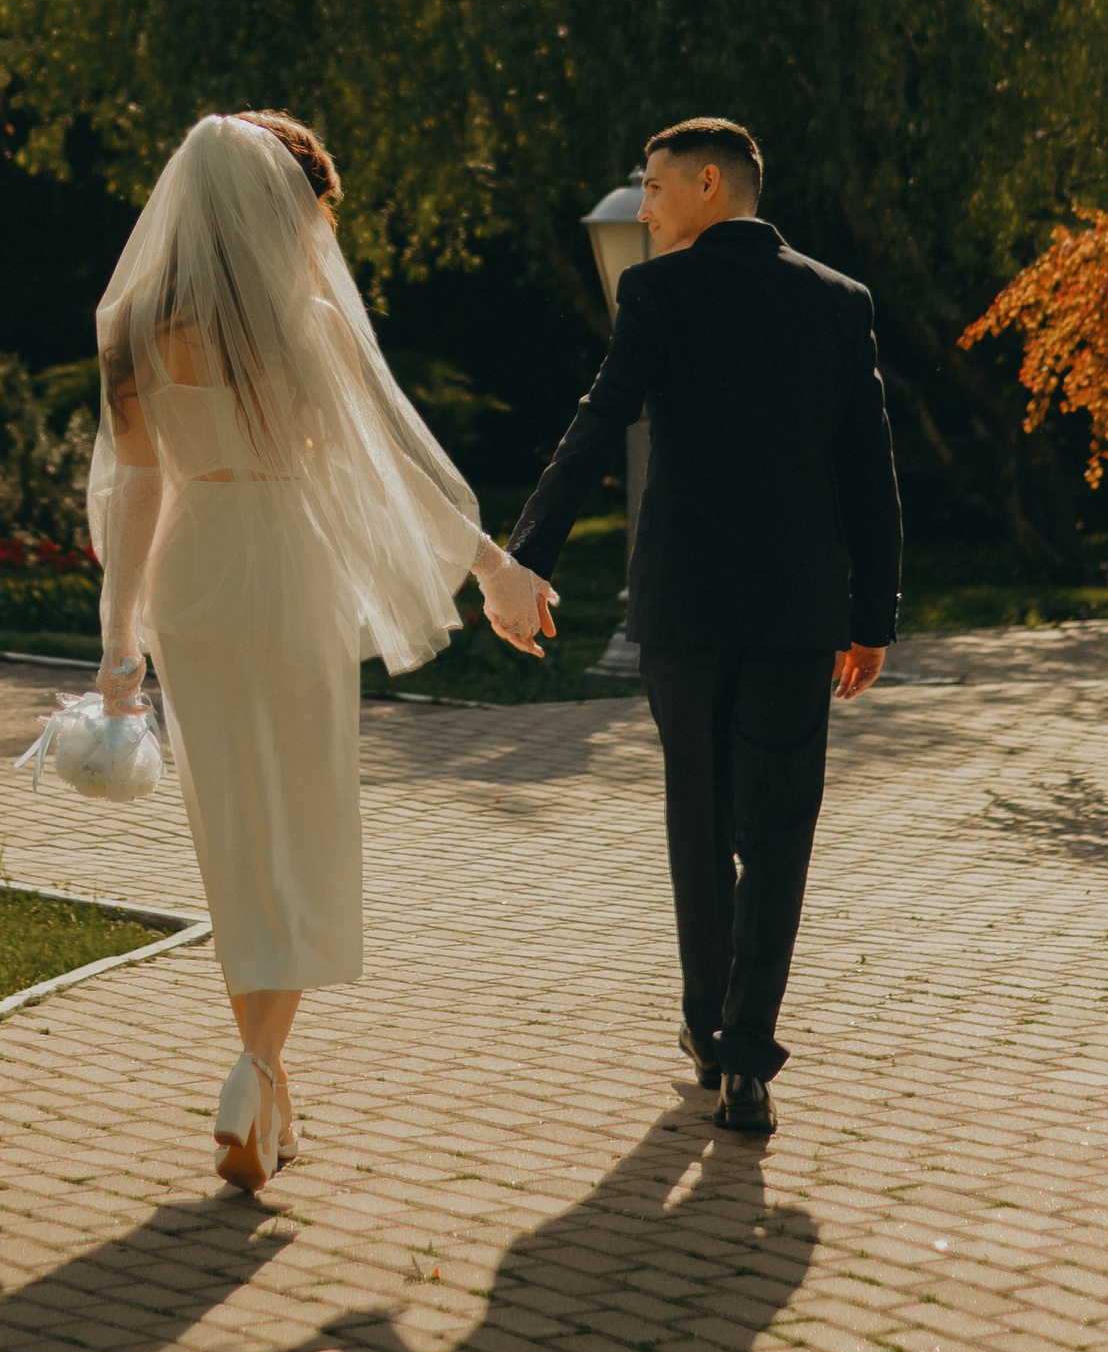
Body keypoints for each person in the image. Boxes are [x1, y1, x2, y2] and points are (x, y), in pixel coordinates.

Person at [92, 110, 556, 1190]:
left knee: (235, 837)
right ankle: (253, 1070)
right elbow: (384, 469)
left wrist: (121, 646)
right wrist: (493, 566)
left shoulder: (128, 330)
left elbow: (135, 494)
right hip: (287, 568)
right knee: (302, 825)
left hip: (193, 577)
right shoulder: (306, 323)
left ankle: (269, 1102)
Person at [508, 117, 901, 1139]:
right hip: (794, 615)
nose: (642, 207)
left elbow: (599, 420)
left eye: (652, 185)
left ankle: (707, 1029)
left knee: (698, 816)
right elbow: (871, 473)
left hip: (681, 611)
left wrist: (526, 554)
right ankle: (749, 1058)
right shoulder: (838, 302)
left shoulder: (657, 294)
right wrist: (872, 618)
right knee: (776, 830)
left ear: (709, 183)